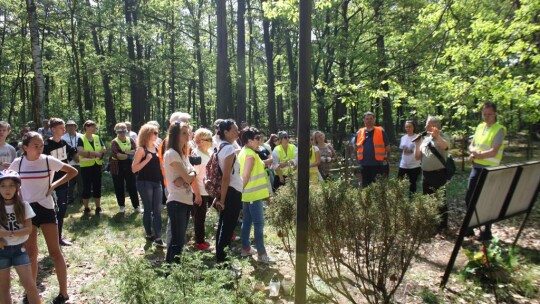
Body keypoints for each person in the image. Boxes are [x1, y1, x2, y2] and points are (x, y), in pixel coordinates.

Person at [9, 132, 77, 304]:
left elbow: (72, 171)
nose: (40, 148)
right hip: (26, 210)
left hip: (46, 208)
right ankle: (31, 292)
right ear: (25, 148)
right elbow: (8, 182)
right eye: (35, 146)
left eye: (41, 145)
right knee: (31, 253)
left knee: (55, 252)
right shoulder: (18, 163)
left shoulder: (48, 160)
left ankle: (64, 293)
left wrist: (53, 185)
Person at [465, 102, 506, 241]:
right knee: (469, 197)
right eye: (484, 114)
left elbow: (494, 151)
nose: (486, 117)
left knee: (486, 201)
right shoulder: (480, 126)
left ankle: (486, 231)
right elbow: (472, 144)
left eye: (489, 114)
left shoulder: (499, 129)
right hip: (476, 167)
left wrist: (478, 154)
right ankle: (469, 228)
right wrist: (473, 152)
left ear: (495, 114)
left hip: (490, 170)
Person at [0, 170, 41, 304]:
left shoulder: (24, 206)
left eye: (11, 185)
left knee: (30, 285)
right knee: (3, 288)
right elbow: (22, 230)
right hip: (1, 251)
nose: (7, 189)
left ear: (17, 187)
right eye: (3, 185)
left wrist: (7, 233)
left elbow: (28, 229)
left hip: (20, 250)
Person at [238, 127, 274, 263]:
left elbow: (251, 169)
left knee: (247, 221)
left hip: (249, 194)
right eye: (257, 138)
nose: (259, 141)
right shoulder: (250, 154)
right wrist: (240, 192)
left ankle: (246, 248)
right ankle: (262, 254)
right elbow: (246, 175)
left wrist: (265, 163)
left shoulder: (246, 151)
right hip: (253, 195)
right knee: (259, 224)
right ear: (249, 140)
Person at [163, 122, 196, 263]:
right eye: (184, 132)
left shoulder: (183, 154)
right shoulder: (172, 154)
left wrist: (189, 174)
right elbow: (188, 178)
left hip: (185, 200)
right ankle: (171, 272)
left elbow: (189, 176)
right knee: (176, 241)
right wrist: (189, 176)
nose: (188, 135)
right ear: (175, 135)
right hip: (177, 201)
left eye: (188, 132)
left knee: (178, 239)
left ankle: (173, 271)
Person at [43, 118, 76, 246]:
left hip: (63, 181)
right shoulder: (46, 146)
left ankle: (59, 238)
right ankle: (51, 239)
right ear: (53, 129)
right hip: (49, 183)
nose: (64, 130)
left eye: (64, 127)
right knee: (50, 211)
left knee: (62, 209)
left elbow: (73, 154)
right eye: (61, 128)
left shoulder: (64, 143)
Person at [414, 115, 450, 233]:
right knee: (427, 199)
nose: (425, 126)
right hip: (426, 175)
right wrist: (417, 144)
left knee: (440, 200)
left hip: (439, 174)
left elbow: (445, 146)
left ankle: (442, 226)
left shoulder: (443, 137)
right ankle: (429, 223)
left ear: (435, 126)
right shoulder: (425, 139)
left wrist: (437, 136)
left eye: (428, 124)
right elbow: (418, 157)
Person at [214, 119, 243, 263]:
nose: (238, 132)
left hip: (229, 191)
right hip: (231, 192)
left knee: (223, 226)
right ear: (225, 132)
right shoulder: (229, 149)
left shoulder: (221, 146)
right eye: (235, 130)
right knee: (227, 228)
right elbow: (226, 177)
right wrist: (223, 200)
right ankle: (223, 263)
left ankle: (221, 260)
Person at [132, 123, 164, 247]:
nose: (156, 135)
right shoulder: (141, 149)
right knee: (148, 209)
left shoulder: (157, 148)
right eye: (154, 133)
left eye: (157, 133)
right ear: (146, 134)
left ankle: (158, 237)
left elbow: (160, 166)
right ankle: (149, 234)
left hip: (157, 182)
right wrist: (146, 160)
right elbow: (134, 169)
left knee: (157, 210)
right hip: (144, 182)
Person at [190, 128, 213, 251]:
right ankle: (199, 242)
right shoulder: (196, 154)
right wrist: (197, 195)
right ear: (199, 141)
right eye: (208, 139)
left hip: (208, 189)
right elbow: (193, 176)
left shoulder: (208, 152)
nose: (211, 141)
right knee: (200, 217)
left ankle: (200, 239)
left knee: (202, 216)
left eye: (210, 138)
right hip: (199, 191)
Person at [355, 112, 391, 188]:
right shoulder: (359, 132)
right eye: (367, 119)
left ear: (374, 119)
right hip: (363, 164)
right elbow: (355, 148)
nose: (369, 120)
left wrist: (387, 159)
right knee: (365, 186)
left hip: (377, 164)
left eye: (371, 118)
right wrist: (356, 161)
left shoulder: (381, 131)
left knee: (377, 186)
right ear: (364, 120)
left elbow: (388, 148)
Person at [110, 123, 140, 213]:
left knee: (132, 186)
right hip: (117, 166)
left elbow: (136, 150)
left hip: (129, 165)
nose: (122, 133)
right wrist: (128, 153)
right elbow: (118, 155)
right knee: (119, 186)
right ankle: (121, 206)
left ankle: (136, 206)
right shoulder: (114, 142)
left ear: (126, 131)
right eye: (120, 131)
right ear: (116, 132)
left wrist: (124, 153)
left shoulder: (130, 140)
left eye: (124, 131)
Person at [77, 120, 106, 215]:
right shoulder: (81, 138)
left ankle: (98, 207)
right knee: (87, 187)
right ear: (86, 127)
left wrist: (98, 154)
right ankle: (86, 208)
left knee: (97, 186)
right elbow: (80, 151)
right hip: (86, 167)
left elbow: (103, 148)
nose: (94, 128)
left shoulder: (97, 137)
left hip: (97, 165)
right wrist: (94, 153)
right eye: (92, 126)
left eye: (95, 127)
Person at [62, 120, 83, 204]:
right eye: (68, 126)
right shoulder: (63, 138)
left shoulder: (81, 136)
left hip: (80, 162)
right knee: (70, 182)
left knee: (81, 181)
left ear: (75, 127)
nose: (70, 127)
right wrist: (72, 156)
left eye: (72, 126)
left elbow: (83, 148)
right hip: (69, 163)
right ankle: (70, 199)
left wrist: (77, 156)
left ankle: (82, 197)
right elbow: (62, 151)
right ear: (66, 128)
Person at [398, 121, 422, 193]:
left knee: (412, 184)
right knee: (399, 183)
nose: (408, 128)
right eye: (406, 127)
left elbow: (421, 149)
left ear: (414, 127)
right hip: (403, 164)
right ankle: (398, 199)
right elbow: (401, 148)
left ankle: (411, 200)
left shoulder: (418, 137)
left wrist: (412, 149)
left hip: (415, 165)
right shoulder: (403, 138)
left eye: (410, 126)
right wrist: (404, 149)